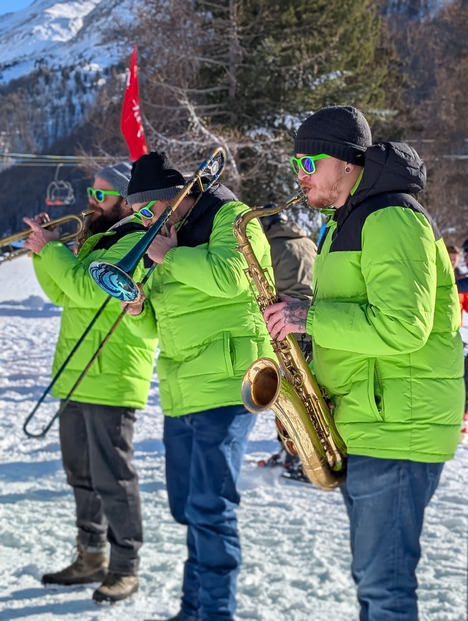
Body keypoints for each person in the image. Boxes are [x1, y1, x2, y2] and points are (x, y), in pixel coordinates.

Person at [263, 105, 465, 620]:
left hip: (398, 428)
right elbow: (349, 322)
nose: (300, 176)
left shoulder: (392, 216)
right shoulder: (344, 223)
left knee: (385, 589)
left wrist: (308, 317)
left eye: (307, 163)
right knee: (375, 584)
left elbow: (402, 326)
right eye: (296, 166)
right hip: (372, 422)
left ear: (345, 163)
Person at [122, 151, 275, 621]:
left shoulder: (228, 214)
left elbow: (232, 278)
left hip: (228, 385)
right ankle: (193, 610)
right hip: (181, 388)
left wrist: (168, 255)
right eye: (138, 213)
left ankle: (215, 613)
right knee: (188, 508)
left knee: (210, 508)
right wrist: (136, 310)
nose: (144, 220)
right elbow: (154, 329)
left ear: (176, 196)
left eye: (148, 209)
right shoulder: (164, 236)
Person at [23, 163, 158, 604]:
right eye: (91, 192)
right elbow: (63, 293)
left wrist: (54, 251)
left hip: (112, 375)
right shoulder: (95, 239)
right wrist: (43, 255)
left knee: (113, 478)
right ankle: (91, 555)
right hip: (77, 374)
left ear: (124, 200)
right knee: (81, 474)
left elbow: (86, 290)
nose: (91, 201)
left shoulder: (135, 240)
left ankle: (125, 568)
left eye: (101, 195)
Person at [259, 208, 317, 477]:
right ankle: (293, 453)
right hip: (312, 324)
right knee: (312, 395)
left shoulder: (270, 247)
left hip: (288, 326)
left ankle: (299, 457)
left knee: (294, 399)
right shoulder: (307, 242)